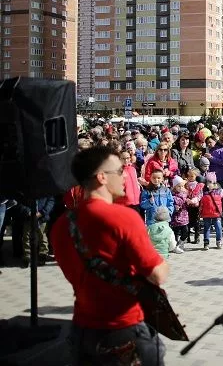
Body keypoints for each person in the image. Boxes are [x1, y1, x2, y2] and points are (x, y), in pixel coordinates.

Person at [51, 146, 169, 366]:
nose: (125, 175)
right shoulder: (123, 218)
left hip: (82, 330)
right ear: (102, 177)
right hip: (124, 331)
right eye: (120, 170)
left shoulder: (61, 224)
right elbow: (157, 274)